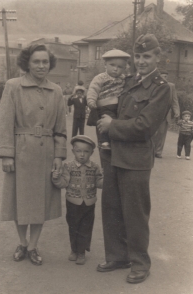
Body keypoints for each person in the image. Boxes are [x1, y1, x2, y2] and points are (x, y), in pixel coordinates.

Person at [97, 34, 171, 283]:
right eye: (137, 56)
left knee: (135, 213)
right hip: (113, 155)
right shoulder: (127, 81)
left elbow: (144, 126)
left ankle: (140, 263)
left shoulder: (162, 88)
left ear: (157, 57)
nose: (141, 61)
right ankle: (118, 256)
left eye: (146, 56)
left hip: (137, 160)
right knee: (112, 208)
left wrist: (111, 125)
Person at [0, 44, 67, 266]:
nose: (41, 66)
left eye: (45, 61)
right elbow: (5, 121)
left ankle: (34, 245)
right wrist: (7, 154)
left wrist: (59, 155)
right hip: (21, 152)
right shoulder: (13, 86)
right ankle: (22, 243)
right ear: (27, 63)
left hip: (46, 155)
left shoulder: (56, 90)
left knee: (41, 203)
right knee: (20, 201)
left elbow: (61, 129)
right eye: (37, 61)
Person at [52, 135, 103, 265]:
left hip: (89, 203)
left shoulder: (95, 167)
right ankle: (74, 250)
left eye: (86, 152)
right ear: (73, 151)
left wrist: (107, 177)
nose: (82, 155)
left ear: (91, 152)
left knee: (86, 228)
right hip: (73, 203)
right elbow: (63, 183)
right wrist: (56, 178)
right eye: (78, 151)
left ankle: (81, 252)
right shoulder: (68, 167)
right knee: (73, 227)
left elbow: (99, 183)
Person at [87, 49, 130, 149]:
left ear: (124, 69)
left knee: (117, 121)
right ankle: (104, 141)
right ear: (105, 65)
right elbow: (93, 89)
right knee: (105, 120)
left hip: (118, 105)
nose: (115, 69)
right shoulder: (101, 77)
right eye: (112, 65)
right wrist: (91, 100)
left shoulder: (123, 78)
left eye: (120, 67)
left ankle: (114, 140)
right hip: (105, 105)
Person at [153, 70, 180, 158]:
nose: (164, 78)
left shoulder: (171, 86)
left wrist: (177, 112)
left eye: (166, 76)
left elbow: (174, 100)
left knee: (162, 133)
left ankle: (158, 152)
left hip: (166, 113)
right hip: (155, 113)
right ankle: (151, 150)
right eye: (163, 76)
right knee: (153, 132)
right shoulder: (155, 85)